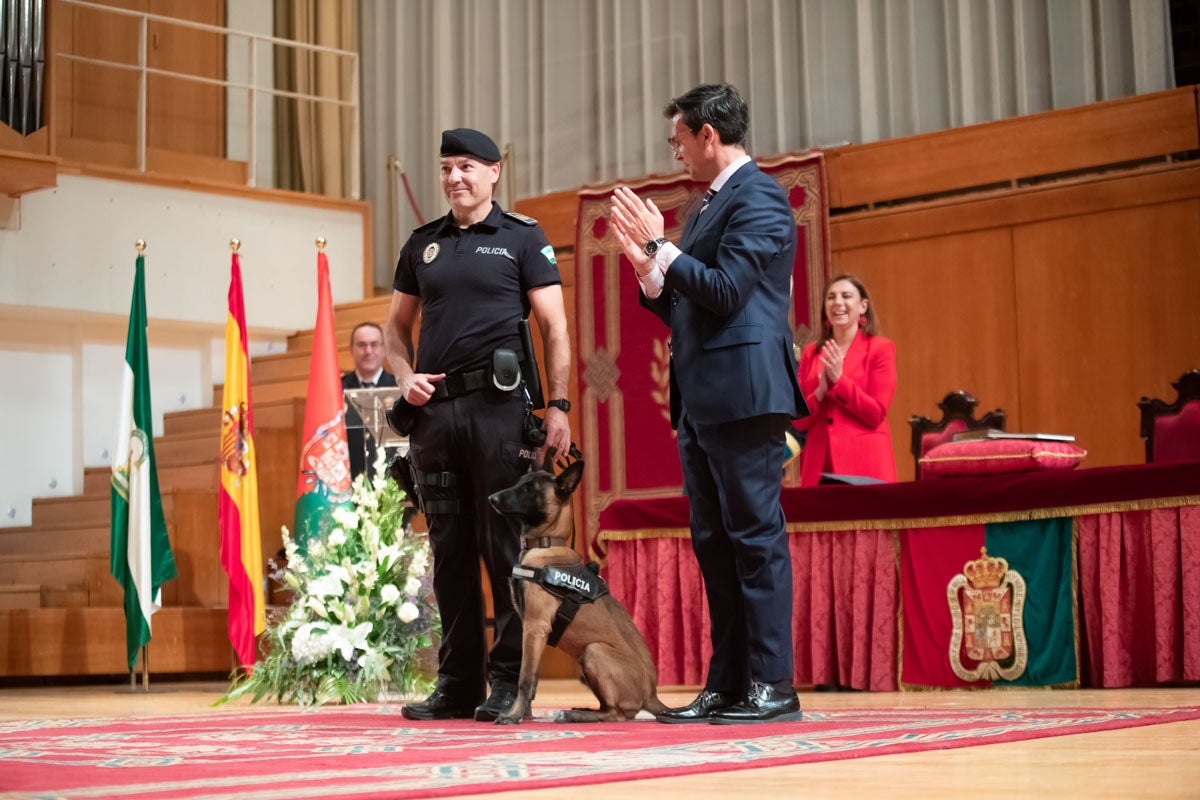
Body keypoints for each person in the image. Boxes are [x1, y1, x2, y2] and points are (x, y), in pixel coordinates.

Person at [609, 83, 808, 724]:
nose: (675, 154)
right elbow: (686, 306)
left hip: (745, 394)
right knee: (715, 544)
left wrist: (658, 247)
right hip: (701, 397)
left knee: (754, 539)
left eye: (678, 141)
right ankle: (727, 684)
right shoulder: (706, 207)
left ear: (708, 135)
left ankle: (773, 685)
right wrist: (649, 269)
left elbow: (725, 291)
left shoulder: (761, 198)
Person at [383, 127, 572, 722]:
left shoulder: (523, 237)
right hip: (435, 417)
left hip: (500, 412)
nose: (454, 177)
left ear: (494, 172)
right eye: (446, 167)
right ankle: (458, 681)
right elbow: (395, 328)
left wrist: (558, 406)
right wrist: (403, 375)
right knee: (449, 550)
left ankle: (509, 683)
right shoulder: (422, 244)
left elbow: (555, 328)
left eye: (466, 166)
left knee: (504, 548)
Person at [793, 274, 897, 487]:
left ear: (862, 306)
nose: (838, 302)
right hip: (819, 467)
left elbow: (875, 414)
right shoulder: (811, 353)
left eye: (846, 296)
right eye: (831, 297)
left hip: (865, 465)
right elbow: (798, 420)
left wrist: (839, 382)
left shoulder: (880, 349)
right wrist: (820, 392)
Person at [341, 322, 398, 481]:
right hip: (351, 480)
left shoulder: (399, 387)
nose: (368, 351)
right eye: (361, 345)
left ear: (384, 348)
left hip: (392, 484)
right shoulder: (337, 390)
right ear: (351, 350)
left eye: (374, 344)